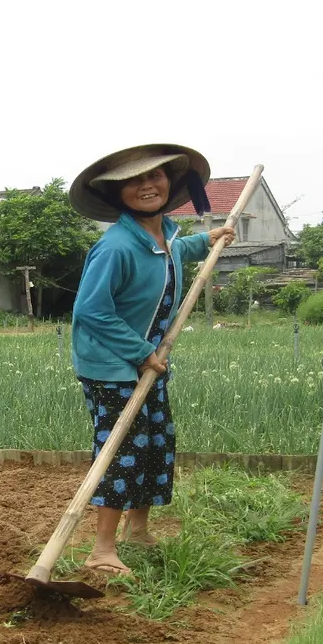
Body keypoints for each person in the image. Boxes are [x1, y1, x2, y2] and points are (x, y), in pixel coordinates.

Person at [67, 144, 235, 575]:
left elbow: (178, 252)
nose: (147, 185)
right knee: (122, 450)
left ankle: (137, 532)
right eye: (134, 181)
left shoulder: (168, 235)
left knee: (157, 443)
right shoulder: (116, 247)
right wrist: (142, 353)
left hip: (147, 360)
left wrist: (209, 240)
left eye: (155, 176)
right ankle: (101, 550)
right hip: (112, 365)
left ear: (170, 182)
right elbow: (91, 311)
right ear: (117, 193)